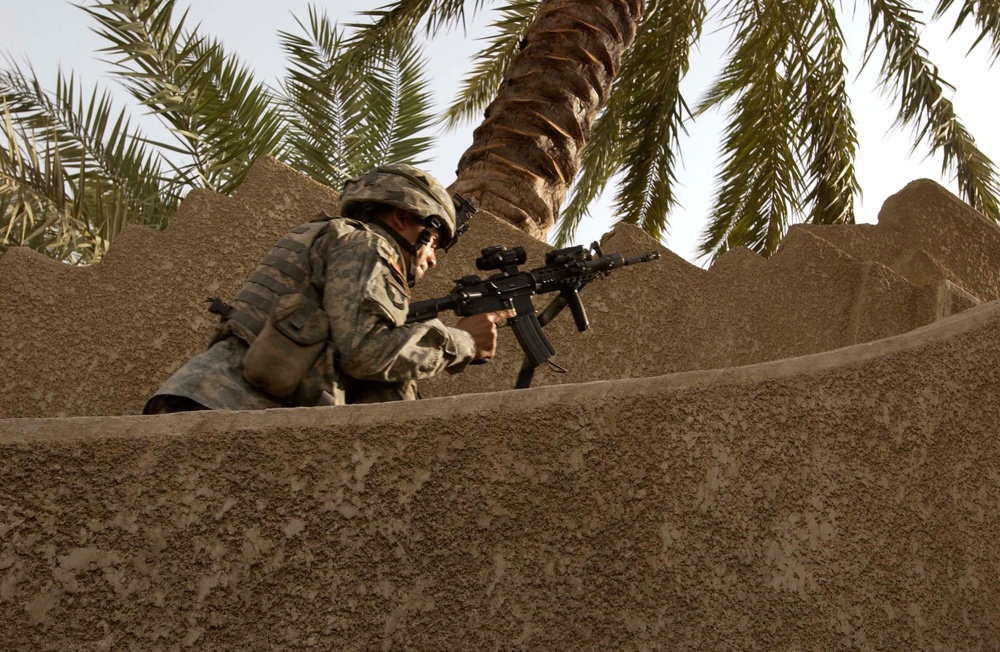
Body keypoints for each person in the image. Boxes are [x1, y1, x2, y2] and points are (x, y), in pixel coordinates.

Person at [143, 164, 513, 414]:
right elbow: (367, 352)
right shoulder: (368, 245)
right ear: (402, 216)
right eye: (433, 243)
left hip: (207, 401)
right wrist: (464, 341)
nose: (432, 260)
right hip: (231, 410)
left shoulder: (329, 236)